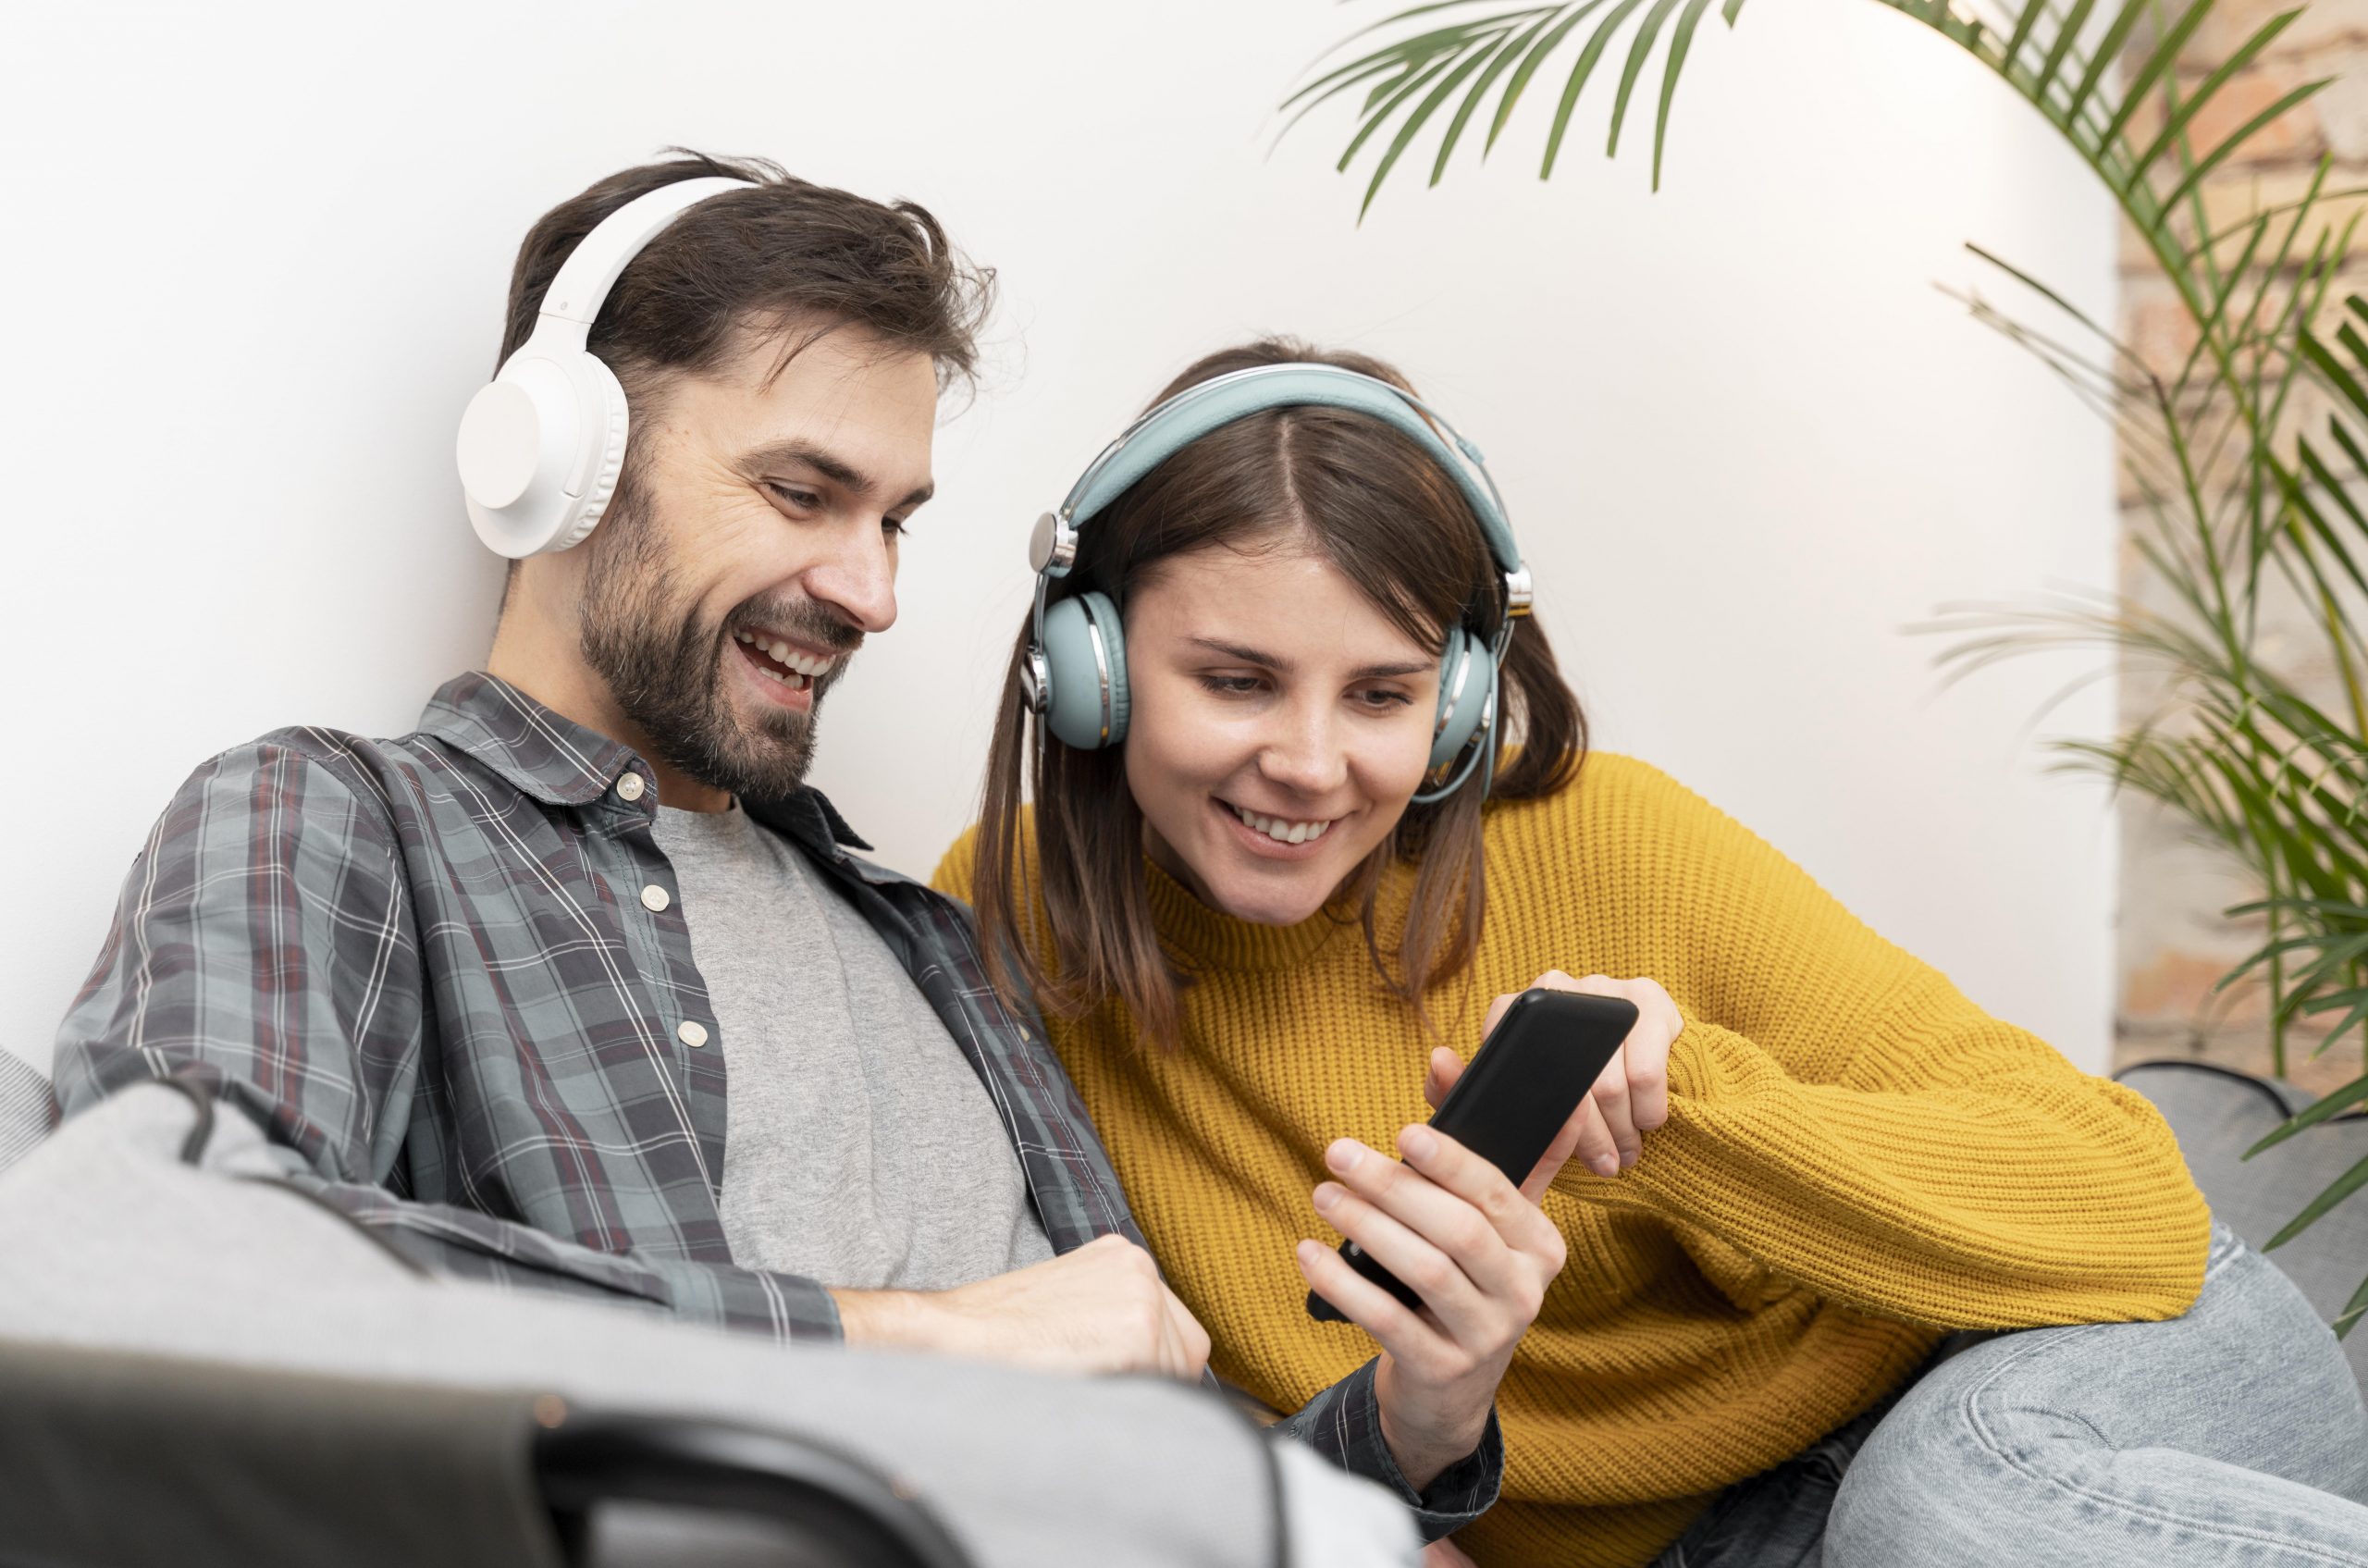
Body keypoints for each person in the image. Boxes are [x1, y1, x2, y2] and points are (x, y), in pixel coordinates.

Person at [48, 158, 1502, 1538]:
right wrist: (910, 1342)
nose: (869, 593)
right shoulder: (342, 820)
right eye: (803, 495)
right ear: (559, 464)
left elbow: (1144, 1482)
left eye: (895, 525)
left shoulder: (920, 930)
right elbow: (156, 1262)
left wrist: (1418, 1421)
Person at [935, 337, 2368, 1568]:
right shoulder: (1009, 931)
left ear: (1456, 705)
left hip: (2060, 1364)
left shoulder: (1612, 836)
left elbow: (2133, 1209)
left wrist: (1699, 1112)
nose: (1311, 764)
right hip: (1740, 1542)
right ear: (1089, 669)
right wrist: (1430, 1410)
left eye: (1382, 694)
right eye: (1236, 680)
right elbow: (1202, 1454)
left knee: (1943, 1512)